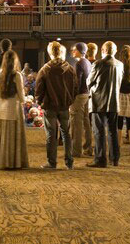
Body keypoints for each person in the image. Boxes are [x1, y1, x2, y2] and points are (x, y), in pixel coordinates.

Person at [35, 41, 76, 170]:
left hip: (50, 106)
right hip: (64, 106)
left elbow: (39, 89)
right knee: (66, 134)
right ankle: (69, 161)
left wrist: (40, 101)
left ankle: (52, 162)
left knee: (51, 135)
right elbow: (75, 87)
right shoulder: (70, 69)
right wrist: (70, 100)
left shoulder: (45, 69)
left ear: (50, 53)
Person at [0, 49, 28, 170]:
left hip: (1, 106)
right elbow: (21, 95)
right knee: (13, 135)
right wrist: (24, 101)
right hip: (14, 106)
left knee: (2, 135)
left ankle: (0, 160)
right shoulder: (17, 75)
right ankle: (13, 162)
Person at [87, 41, 124, 168]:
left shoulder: (98, 63)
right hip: (114, 101)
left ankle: (100, 159)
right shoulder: (120, 65)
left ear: (103, 50)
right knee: (113, 131)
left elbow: (89, 82)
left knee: (99, 131)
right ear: (115, 51)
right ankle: (114, 159)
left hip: (98, 101)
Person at [69, 42, 95, 158]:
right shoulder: (88, 62)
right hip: (86, 94)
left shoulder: (79, 63)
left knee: (76, 124)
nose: (73, 52)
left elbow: (77, 82)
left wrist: (72, 96)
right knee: (86, 122)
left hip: (79, 96)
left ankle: (76, 150)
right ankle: (88, 148)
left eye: (75, 50)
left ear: (80, 51)